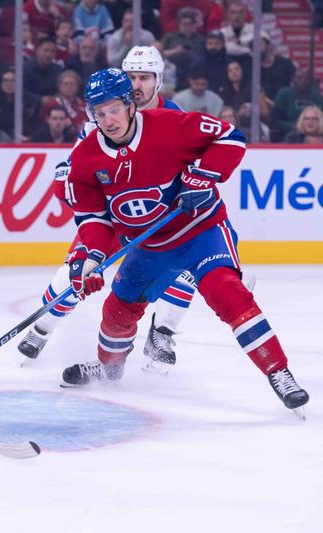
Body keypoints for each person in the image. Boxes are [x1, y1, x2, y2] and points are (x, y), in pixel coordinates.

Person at [58, 68, 309, 414]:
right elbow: (94, 218)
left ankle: (279, 372)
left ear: (131, 104)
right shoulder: (86, 158)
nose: (108, 120)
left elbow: (230, 137)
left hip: (200, 233)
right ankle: (109, 369)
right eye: (99, 113)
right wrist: (90, 258)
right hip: (148, 247)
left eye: (114, 109)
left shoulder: (168, 125)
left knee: (228, 292)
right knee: (116, 312)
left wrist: (202, 177)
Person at [18, 47, 198, 375]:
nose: (138, 84)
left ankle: (162, 333)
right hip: (113, 220)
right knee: (72, 275)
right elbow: (74, 166)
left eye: (145, 77)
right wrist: (67, 175)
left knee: (190, 269)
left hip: (159, 221)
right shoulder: (104, 115)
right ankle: (42, 328)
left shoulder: (175, 120)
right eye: (132, 77)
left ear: (158, 81)